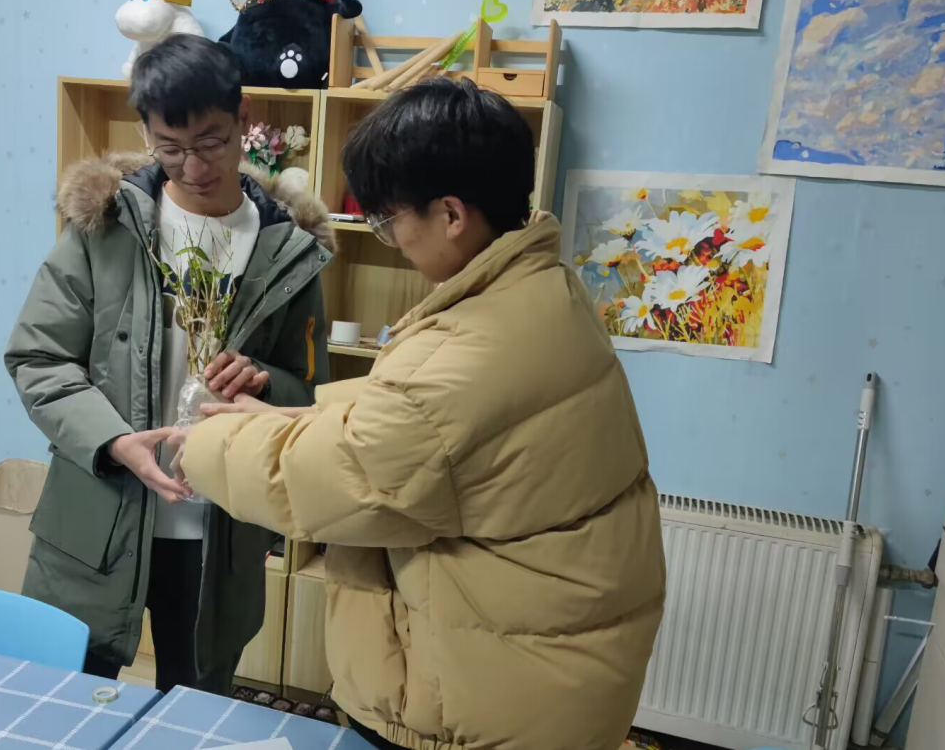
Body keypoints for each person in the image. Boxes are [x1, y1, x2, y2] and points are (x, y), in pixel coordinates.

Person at [170, 77, 665, 749]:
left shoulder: (468, 351)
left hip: (485, 697)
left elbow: (344, 475)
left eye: (389, 219)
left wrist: (202, 440)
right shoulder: (544, 287)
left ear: (451, 214)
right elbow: (420, 432)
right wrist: (276, 420)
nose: (392, 239)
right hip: (547, 663)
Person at [4, 33, 333, 694]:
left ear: (243, 120)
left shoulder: (287, 248)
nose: (193, 167)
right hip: (98, 517)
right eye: (170, 147)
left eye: (211, 142)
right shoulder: (105, 227)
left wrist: (265, 383)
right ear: (146, 134)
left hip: (220, 532)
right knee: (63, 701)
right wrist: (115, 441)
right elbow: (38, 358)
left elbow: (309, 391)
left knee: (194, 711)